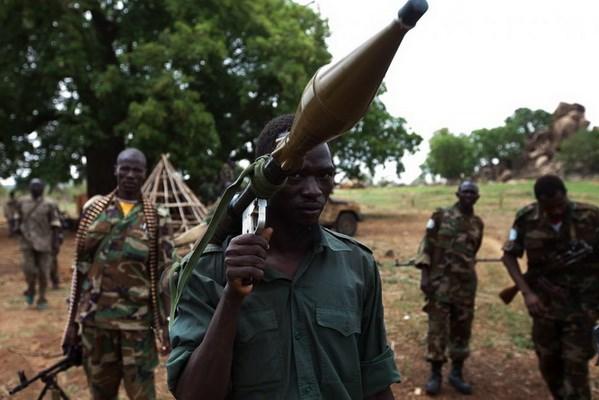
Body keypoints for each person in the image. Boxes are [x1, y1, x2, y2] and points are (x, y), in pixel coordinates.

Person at [167, 114, 401, 400]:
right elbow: (194, 394)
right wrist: (232, 298)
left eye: (324, 175)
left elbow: (376, 384)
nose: (314, 192)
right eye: (296, 175)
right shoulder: (207, 270)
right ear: (265, 180)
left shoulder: (357, 265)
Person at [61, 148, 171, 400]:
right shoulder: (94, 211)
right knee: (101, 394)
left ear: (144, 173)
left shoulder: (156, 217)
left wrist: (165, 327)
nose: (131, 174)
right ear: (116, 170)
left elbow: (164, 275)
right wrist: (71, 324)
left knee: (143, 395)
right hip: (96, 324)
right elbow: (81, 269)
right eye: (125, 168)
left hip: (137, 326)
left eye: (137, 169)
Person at [501, 175, 599, 400]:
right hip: (544, 307)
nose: (556, 212)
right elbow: (508, 256)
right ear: (539, 202)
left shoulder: (591, 216)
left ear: (565, 195)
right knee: (549, 364)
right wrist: (527, 293)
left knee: (576, 368)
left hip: (582, 307)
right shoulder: (526, 218)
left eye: (559, 205)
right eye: (549, 207)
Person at [415, 181, 484, 396]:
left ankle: (456, 373)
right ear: (458, 194)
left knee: (462, 330)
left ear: (477, 197)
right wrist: (425, 275)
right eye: (465, 192)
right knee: (437, 329)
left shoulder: (477, 223)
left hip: (465, 286)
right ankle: (435, 374)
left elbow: (475, 251)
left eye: (473, 193)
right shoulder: (440, 216)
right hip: (440, 284)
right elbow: (426, 245)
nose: (468, 195)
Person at [15, 179, 62, 309]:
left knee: (43, 272)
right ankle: (30, 289)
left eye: (38, 186)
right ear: (29, 188)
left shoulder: (50, 204)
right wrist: (17, 228)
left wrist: (56, 242)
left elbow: (55, 224)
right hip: (27, 242)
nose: (36, 189)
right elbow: (17, 218)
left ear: (43, 189)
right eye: (33, 186)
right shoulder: (22, 202)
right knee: (28, 270)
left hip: (45, 242)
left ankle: (42, 297)